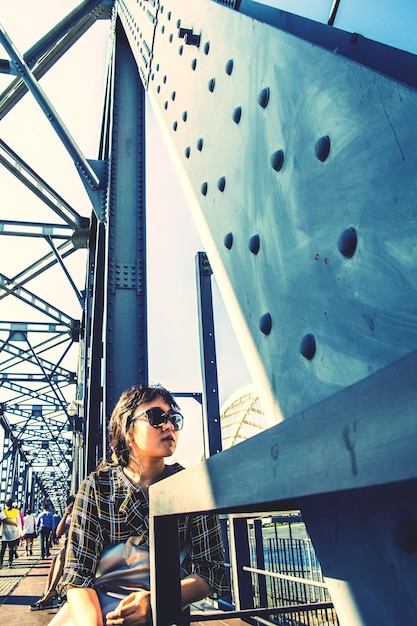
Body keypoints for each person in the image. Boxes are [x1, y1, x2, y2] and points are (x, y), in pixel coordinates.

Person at [59, 382, 229, 626]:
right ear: (128, 428)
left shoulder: (191, 485)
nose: (169, 425)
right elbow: (78, 577)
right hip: (100, 615)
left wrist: (159, 602)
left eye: (175, 419)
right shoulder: (96, 487)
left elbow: (212, 571)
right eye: (156, 417)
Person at [30, 495, 75, 611]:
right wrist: (66, 515)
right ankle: (48, 592)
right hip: (71, 546)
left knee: (60, 556)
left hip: (78, 548)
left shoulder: (85, 513)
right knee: (55, 559)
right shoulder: (70, 516)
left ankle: (51, 591)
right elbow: (58, 532)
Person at [0, 498, 22, 568]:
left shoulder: (3, 512)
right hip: (14, 533)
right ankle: (10, 563)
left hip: (5, 533)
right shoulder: (16, 512)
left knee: (3, 549)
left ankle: (0, 563)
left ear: (5, 504)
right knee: (11, 549)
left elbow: (4, 520)